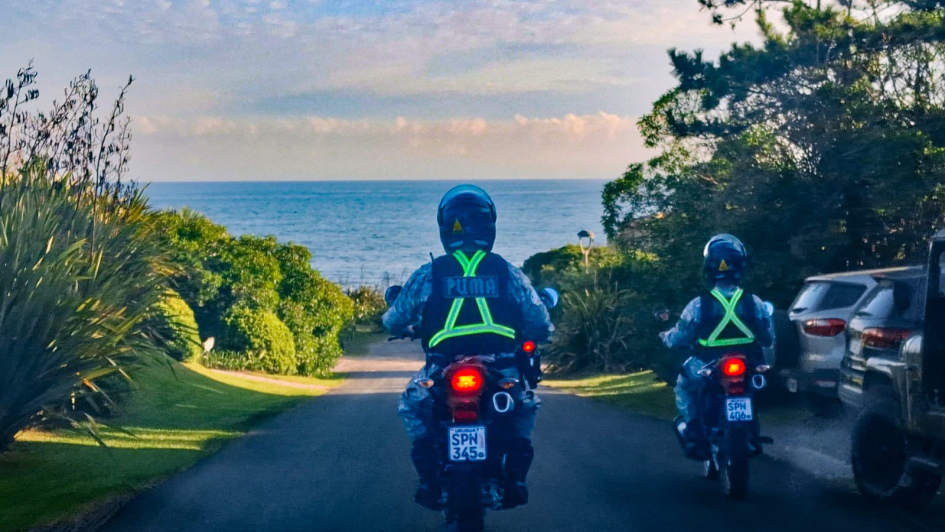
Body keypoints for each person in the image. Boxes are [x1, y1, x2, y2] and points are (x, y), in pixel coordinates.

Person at [383, 184, 554, 510]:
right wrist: (539, 332)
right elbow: (540, 321)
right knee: (525, 405)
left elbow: (393, 320)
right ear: (489, 226)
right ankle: (516, 479)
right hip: (501, 366)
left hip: (441, 365)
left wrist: (403, 326)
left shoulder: (429, 273)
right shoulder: (508, 271)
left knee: (411, 405)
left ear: (445, 227)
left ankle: (429, 479)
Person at [659, 234, 775, 453]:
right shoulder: (755, 302)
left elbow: (678, 337)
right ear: (740, 266)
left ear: (709, 267)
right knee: (755, 388)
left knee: (683, 385)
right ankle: (752, 429)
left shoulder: (697, 305)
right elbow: (768, 338)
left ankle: (693, 426)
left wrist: (665, 337)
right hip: (747, 365)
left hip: (708, 365)